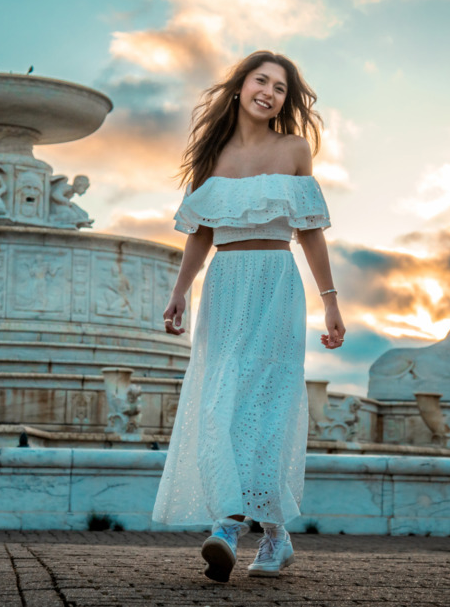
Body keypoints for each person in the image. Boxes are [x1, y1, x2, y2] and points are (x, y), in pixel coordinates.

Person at [152, 51, 346, 583]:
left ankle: (229, 527)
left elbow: (310, 230)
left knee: (265, 406)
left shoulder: (294, 150)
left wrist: (330, 299)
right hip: (225, 285)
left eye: (281, 88)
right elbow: (200, 234)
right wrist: (179, 291)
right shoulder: (212, 157)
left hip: (277, 284)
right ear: (239, 87)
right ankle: (273, 537)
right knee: (219, 400)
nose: (270, 92)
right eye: (261, 80)